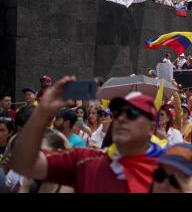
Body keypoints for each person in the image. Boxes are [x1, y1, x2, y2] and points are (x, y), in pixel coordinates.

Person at [10, 78, 164, 193]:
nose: (122, 118)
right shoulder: (84, 160)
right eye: (118, 112)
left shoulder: (171, 171)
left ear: (151, 128)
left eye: (132, 113)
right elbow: (23, 163)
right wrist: (41, 112)